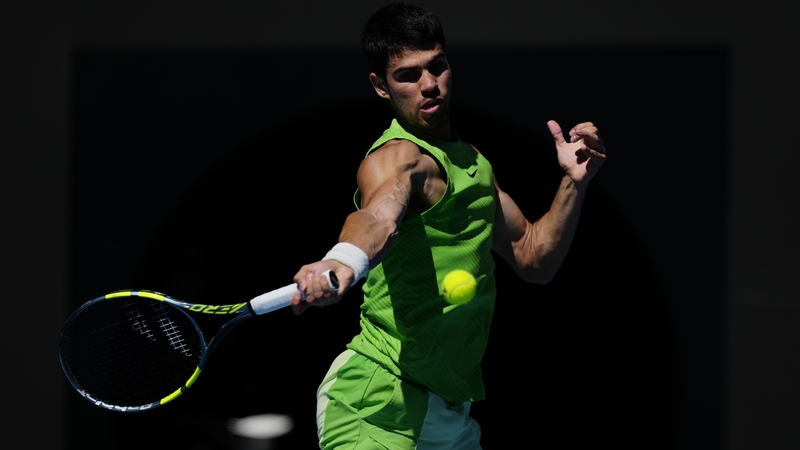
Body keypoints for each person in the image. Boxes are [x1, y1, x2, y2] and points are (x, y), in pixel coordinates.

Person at [290, 3, 606, 448]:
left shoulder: (474, 162)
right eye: (408, 75)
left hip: (448, 415)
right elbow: (379, 215)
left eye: (436, 67)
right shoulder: (397, 158)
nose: (429, 85)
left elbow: (534, 258)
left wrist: (575, 184)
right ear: (381, 86)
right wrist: (343, 258)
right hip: (377, 404)